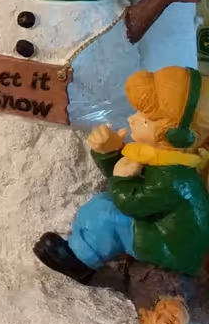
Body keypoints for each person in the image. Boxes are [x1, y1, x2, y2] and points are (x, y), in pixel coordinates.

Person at [35, 66, 209, 283]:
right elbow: (132, 181)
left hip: (171, 249)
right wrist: (110, 152)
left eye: (145, 119)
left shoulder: (175, 177)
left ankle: (79, 262)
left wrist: (120, 179)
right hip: (160, 231)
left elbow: (131, 203)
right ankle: (79, 250)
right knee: (104, 202)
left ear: (176, 136)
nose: (132, 119)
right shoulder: (163, 159)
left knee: (107, 214)